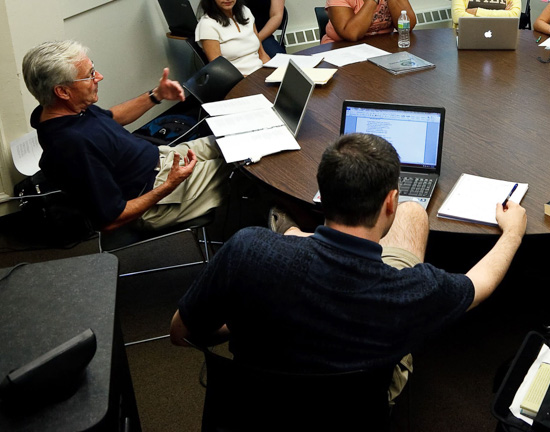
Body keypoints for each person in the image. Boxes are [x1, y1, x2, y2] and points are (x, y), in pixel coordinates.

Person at [170, 133, 526, 402]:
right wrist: (513, 232)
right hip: (355, 411)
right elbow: (478, 283)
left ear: (322, 195)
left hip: (253, 407)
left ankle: (296, 234)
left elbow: (182, 332)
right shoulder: (411, 289)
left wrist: (247, 319)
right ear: (390, 201)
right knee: (414, 216)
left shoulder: (246, 247)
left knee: (290, 236)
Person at [23, 41, 228, 232]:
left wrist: (156, 95)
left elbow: (112, 118)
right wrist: (170, 184)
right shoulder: (73, 145)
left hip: (161, 158)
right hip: (158, 197)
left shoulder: (64, 110)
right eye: (90, 74)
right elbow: (111, 220)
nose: (99, 77)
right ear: (62, 92)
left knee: (231, 139)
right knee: (242, 168)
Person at [196, 0, 270, 77]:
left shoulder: (245, 11)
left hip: (260, 75)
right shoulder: (207, 24)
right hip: (237, 83)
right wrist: (253, 81)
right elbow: (219, 71)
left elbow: (262, 54)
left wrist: (275, 73)